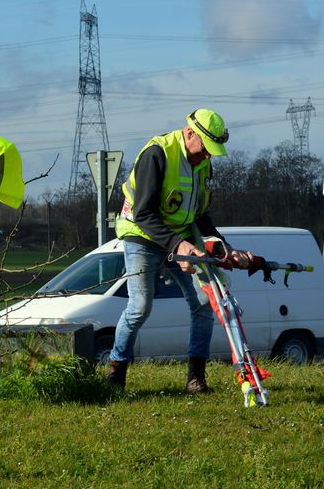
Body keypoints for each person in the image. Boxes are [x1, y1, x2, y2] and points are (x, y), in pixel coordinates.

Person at [106, 108, 253, 392]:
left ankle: (196, 378)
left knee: (202, 303)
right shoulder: (156, 155)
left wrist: (226, 248)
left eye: (212, 151)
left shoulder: (203, 164)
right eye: (205, 149)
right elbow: (144, 214)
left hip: (182, 236)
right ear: (189, 133)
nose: (207, 157)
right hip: (141, 235)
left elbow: (201, 216)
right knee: (140, 306)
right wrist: (179, 245)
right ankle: (115, 372)